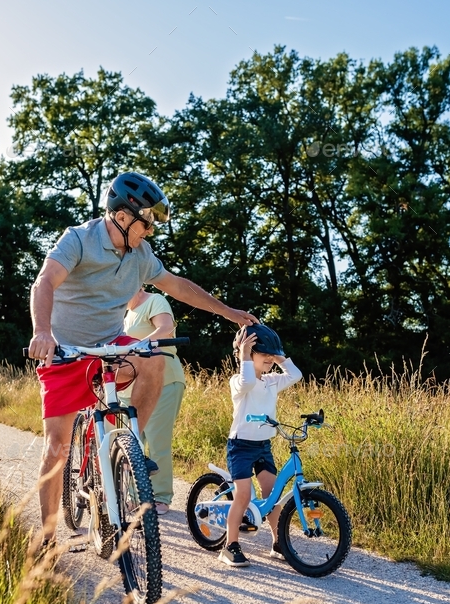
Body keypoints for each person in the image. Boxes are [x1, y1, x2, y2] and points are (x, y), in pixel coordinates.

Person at [28, 171, 257, 545]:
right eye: (146, 222)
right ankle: (48, 540)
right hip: (66, 350)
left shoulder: (140, 254)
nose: (149, 231)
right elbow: (45, 282)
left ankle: (127, 449)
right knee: (56, 448)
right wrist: (42, 332)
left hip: (108, 346)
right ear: (122, 217)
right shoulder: (78, 239)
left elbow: (178, 286)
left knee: (154, 358)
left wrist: (228, 312)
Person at [220, 324, 302, 568]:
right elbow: (246, 381)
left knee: (272, 495)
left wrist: (278, 356)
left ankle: (279, 543)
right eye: (262, 354)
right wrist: (244, 355)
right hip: (241, 447)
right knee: (243, 496)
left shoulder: (271, 381)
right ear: (246, 354)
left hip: (262, 446)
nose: (268, 359)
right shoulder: (238, 381)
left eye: (270, 355)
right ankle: (230, 545)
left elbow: (295, 375)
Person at [120, 287, 185, 514]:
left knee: (157, 441)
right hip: (137, 385)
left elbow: (166, 328)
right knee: (131, 443)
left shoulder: (154, 300)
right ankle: (133, 496)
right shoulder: (126, 314)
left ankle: (160, 498)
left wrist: (137, 346)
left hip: (166, 380)